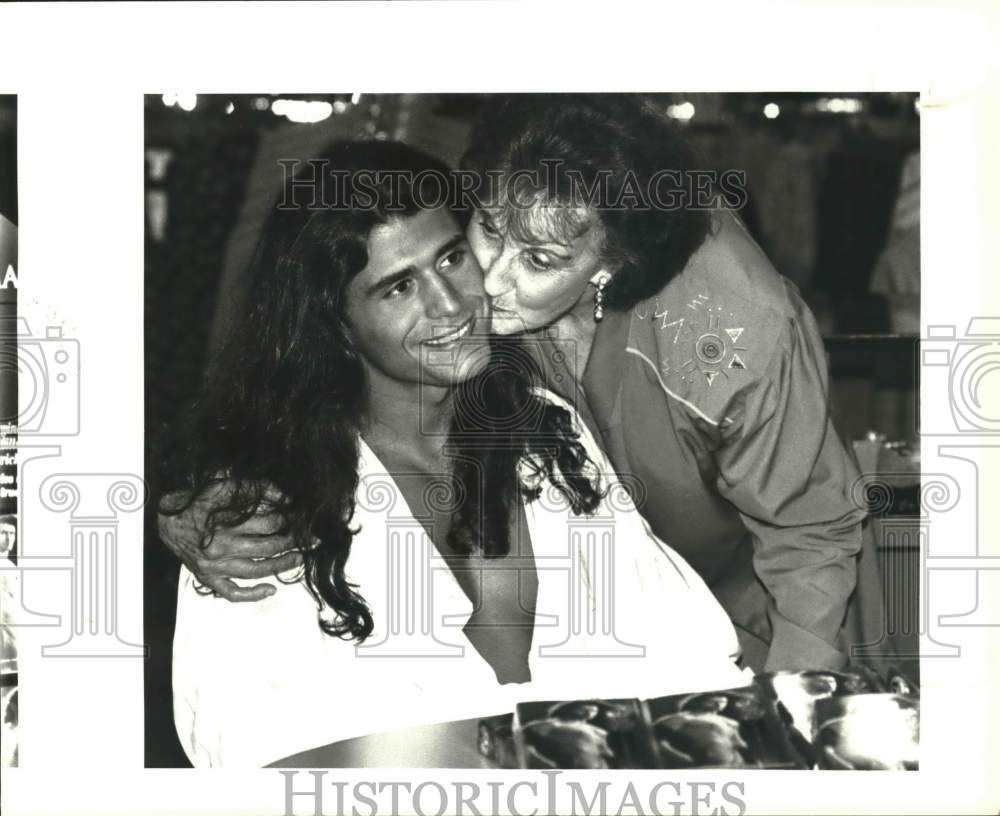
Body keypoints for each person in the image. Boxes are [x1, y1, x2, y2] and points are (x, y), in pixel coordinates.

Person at [160, 95, 888, 674]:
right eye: (486, 230)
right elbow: (316, 350)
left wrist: (788, 707)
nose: (487, 285)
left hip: (753, 607)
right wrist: (201, 501)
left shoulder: (736, 326)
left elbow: (810, 533)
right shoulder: (467, 278)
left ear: (610, 267)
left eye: (538, 260)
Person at [163, 141, 750, 767]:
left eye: (452, 259)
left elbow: (684, 653)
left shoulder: (547, 435)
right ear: (334, 322)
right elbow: (255, 756)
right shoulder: (266, 507)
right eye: (398, 288)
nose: (448, 305)